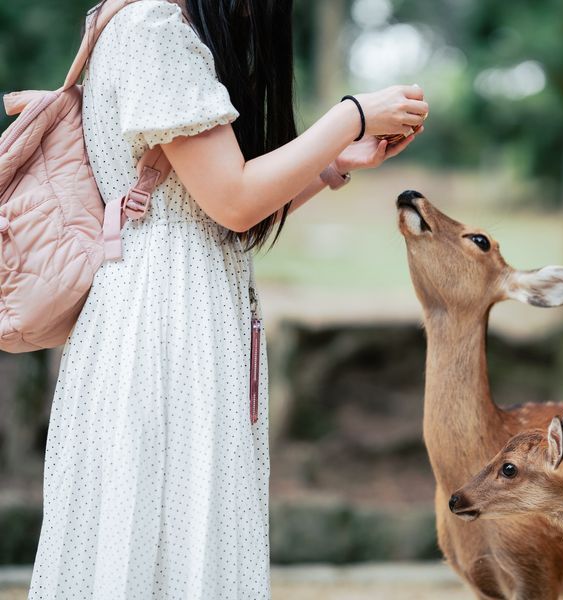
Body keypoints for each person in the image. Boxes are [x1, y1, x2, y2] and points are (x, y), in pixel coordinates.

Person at [27, 0, 427, 598]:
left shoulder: (162, 29)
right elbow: (233, 201)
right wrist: (351, 116)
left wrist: (330, 165)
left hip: (176, 312)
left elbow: (220, 213)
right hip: (166, 322)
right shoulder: (153, 30)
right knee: (161, 529)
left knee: (175, 531)